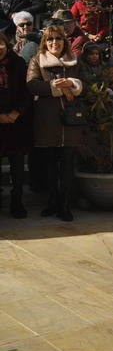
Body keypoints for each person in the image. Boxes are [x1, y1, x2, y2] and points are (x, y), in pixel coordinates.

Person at [26, 25, 84, 222]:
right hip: (47, 120)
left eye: (58, 39)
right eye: (50, 40)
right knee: (49, 165)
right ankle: (52, 202)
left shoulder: (75, 61)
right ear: (45, 43)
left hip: (70, 121)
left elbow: (86, 83)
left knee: (67, 165)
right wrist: (53, 87)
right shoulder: (37, 61)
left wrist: (74, 85)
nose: (54, 43)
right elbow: (32, 85)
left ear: (64, 41)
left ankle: (65, 204)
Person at [0, 32, 32, 218]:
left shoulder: (18, 63)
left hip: (16, 121)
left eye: (2, 44)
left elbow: (25, 92)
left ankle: (17, 201)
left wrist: (15, 114)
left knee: (17, 166)